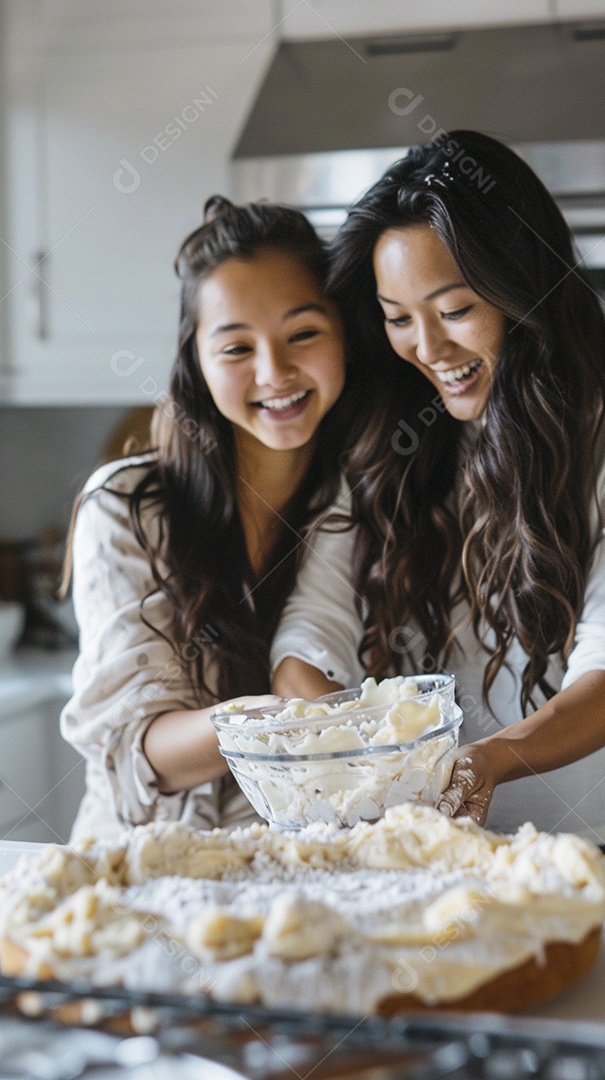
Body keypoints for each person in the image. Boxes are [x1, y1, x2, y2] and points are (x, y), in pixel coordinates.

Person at [271, 130, 605, 843]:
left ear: (523, 290)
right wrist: (362, 751)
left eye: (454, 311)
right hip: (426, 857)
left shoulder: (594, 441)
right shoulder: (388, 444)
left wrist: (487, 760)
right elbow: (311, 632)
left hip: (582, 854)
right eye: (398, 319)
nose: (427, 348)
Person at [60, 195, 356, 840]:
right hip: (142, 866)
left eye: (304, 333)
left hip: (307, 867)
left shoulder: (367, 499)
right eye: (236, 347)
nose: (275, 372)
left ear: (346, 331)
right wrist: (281, 716)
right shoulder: (125, 508)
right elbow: (141, 755)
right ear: (195, 358)